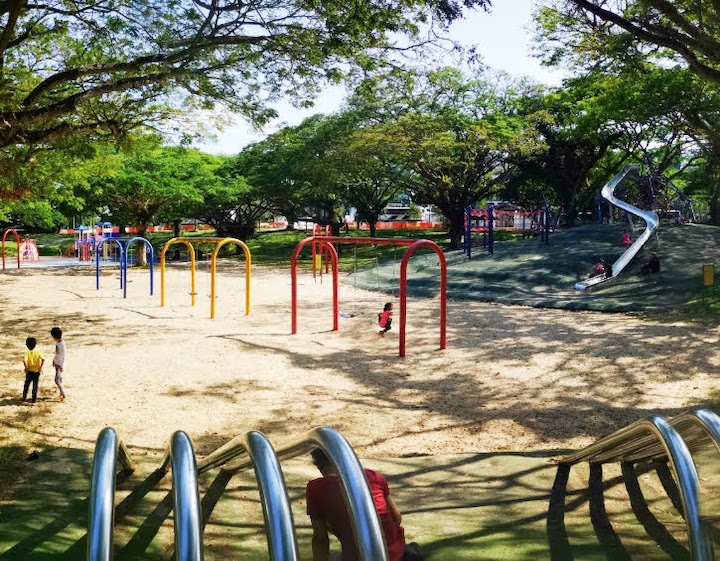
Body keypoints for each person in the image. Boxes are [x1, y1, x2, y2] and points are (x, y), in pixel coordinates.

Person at [306, 448, 422, 561]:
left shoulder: (316, 489)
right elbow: (396, 517)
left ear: (319, 466)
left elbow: (320, 539)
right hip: (394, 554)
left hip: (357, 556)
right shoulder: (372, 476)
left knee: (334, 554)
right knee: (412, 548)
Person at [22, 337, 44, 405]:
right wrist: (40, 367)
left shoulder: (27, 353)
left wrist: (26, 368)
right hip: (36, 371)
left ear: (27, 345)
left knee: (27, 384)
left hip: (29, 371)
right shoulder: (37, 352)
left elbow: (24, 361)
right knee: (35, 385)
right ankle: (34, 398)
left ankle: (24, 396)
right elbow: (43, 359)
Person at [50, 326, 67, 401]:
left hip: (59, 363)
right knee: (59, 379)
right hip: (60, 362)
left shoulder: (58, 345)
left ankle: (63, 394)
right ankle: (61, 394)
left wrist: (56, 362)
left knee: (57, 380)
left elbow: (58, 354)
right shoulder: (63, 343)